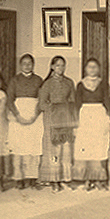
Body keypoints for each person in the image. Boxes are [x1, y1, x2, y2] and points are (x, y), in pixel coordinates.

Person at [6, 54, 44, 190]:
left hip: (35, 116)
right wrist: (17, 116)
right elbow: (9, 99)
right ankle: (18, 178)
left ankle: (32, 178)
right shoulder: (14, 80)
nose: (27, 66)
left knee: (33, 147)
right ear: (20, 65)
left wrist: (35, 114)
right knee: (19, 147)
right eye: (24, 63)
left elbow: (42, 99)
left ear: (33, 65)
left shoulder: (39, 80)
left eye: (30, 63)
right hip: (19, 115)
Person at [38, 56, 76, 193]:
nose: (61, 68)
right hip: (51, 119)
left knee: (66, 149)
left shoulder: (69, 83)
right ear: (52, 67)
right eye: (58, 65)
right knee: (54, 150)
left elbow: (73, 102)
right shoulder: (47, 84)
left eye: (63, 65)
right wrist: (54, 109)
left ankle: (65, 178)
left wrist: (70, 116)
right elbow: (42, 104)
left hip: (65, 118)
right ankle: (54, 180)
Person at [74, 58, 110, 191]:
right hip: (85, 116)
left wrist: (109, 117)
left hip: (99, 115)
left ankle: (99, 179)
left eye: (95, 67)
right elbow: (77, 104)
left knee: (99, 146)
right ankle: (87, 179)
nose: (92, 69)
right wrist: (76, 121)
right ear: (85, 69)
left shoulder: (103, 84)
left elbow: (107, 100)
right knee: (86, 146)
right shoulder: (80, 85)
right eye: (90, 67)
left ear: (99, 69)